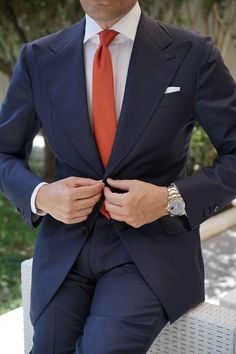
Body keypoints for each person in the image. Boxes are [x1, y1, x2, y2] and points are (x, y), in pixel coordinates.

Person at [0, 0, 236, 352]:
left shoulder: (192, 53)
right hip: (65, 249)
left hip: (150, 250)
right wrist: (41, 195)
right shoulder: (39, 57)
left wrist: (169, 200)